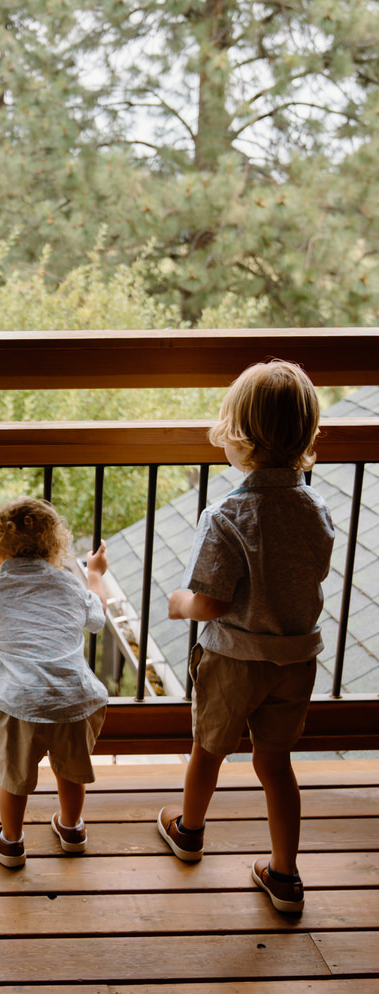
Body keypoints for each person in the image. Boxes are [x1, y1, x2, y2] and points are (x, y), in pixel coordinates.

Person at [158, 359, 334, 914]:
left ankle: (189, 831)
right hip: (295, 658)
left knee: (208, 749)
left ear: (242, 438)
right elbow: (315, 571)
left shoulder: (227, 514)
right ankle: (284, 875)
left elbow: (211, 600)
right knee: (275, 764)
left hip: (234, 659)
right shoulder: (316, 508)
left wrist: (179, 603)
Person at [0, 496, 108, 867]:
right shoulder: (69, 584)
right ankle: (72, 827)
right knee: (71, 770)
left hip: (19, 703)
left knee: (14, 778)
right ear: (55, 547)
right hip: (75, 698)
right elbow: (97, 620)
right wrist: (94, 576)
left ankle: (11, 842)